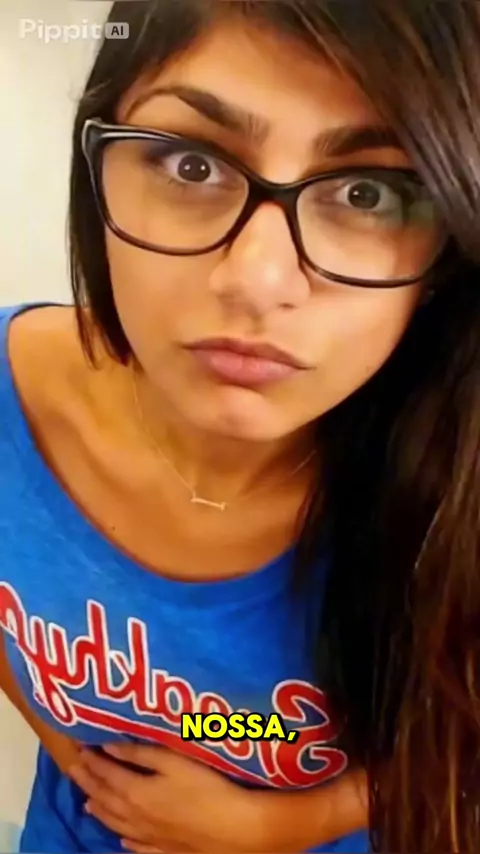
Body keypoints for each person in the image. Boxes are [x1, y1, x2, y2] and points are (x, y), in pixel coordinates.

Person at [0, 0, 479, 852]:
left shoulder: (459, 487)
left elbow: (458, 735)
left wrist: (281, 824)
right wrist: (69, 748)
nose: (257, 280)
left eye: (368, 192)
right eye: (191, 165)